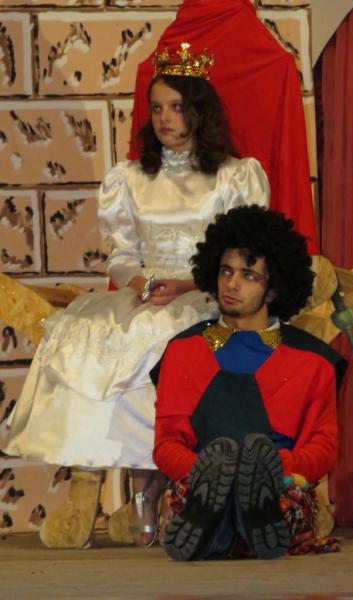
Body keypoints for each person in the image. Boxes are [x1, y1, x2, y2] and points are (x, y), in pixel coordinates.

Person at [3, 44, 270, 549]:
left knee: (164, 339)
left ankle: (156, 492)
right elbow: (122, 255)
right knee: (88, 332)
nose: (165, 119)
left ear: (199, 112)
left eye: (177, 107)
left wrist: (188, 284)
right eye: (157, 108)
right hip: (147, 293)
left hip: (206, 295)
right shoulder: (129, 178)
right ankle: (104, 491)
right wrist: (140, 284)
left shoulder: (235, 176)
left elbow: (242, 256)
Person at [151, 205, 347, 561]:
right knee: (192, 494)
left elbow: (324, 448)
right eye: (226, 271)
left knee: (282, 497)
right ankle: (227, 522)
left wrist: (271, 469)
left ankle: (231, 528)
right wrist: (211, 474)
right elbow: (166, 446)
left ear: (273, 289)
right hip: (202, 484)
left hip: (278, 486)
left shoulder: (313, 361)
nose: (231, 283)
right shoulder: (183, 351)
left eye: (249, 275)